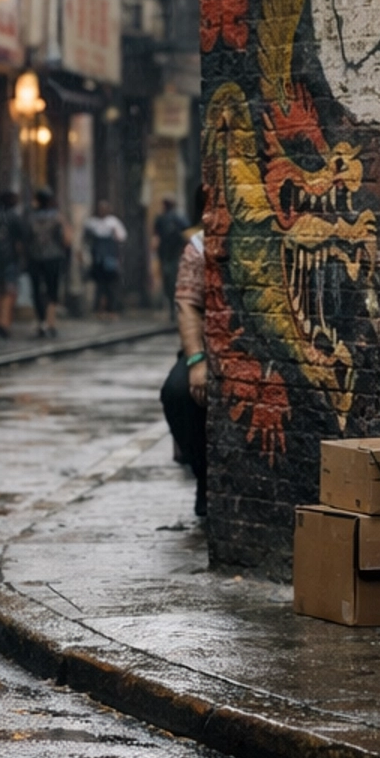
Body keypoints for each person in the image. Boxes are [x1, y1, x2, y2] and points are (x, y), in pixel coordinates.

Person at [159, 188, 208, 522]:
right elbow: (187, 305)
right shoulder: (199, 247)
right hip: (207, 349)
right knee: (176, 393)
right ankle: (203, 473)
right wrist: (196, 361)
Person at [0, 188, 27, 338]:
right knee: (8, 291)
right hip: (9, 257)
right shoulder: (14, 217)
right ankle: (5, 322)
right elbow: (20, 241)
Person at [24, 186, 68, 337]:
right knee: (52, 291)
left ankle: (41, 322)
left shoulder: (30, 218)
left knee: (36, 291)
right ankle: (51, 323)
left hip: (34, 258)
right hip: (53, 258)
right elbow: (66, 239)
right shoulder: (57, 217)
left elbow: (25, 239)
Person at [82, 197, 127, 316]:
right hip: (98, 259)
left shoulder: (113, 222)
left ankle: (111, 309)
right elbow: (86, 239)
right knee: (100, 285)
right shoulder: (92, 223)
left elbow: (121, 237)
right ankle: (100, 309)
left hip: (110, 258)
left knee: (111, 285)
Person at [153, 195, 190, 315]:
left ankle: (173, 308)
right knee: (171, 281)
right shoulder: (166, 219)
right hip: (170, 254)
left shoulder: (176, 219)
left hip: (172, 254)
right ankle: (173, 308)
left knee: (171, 280)